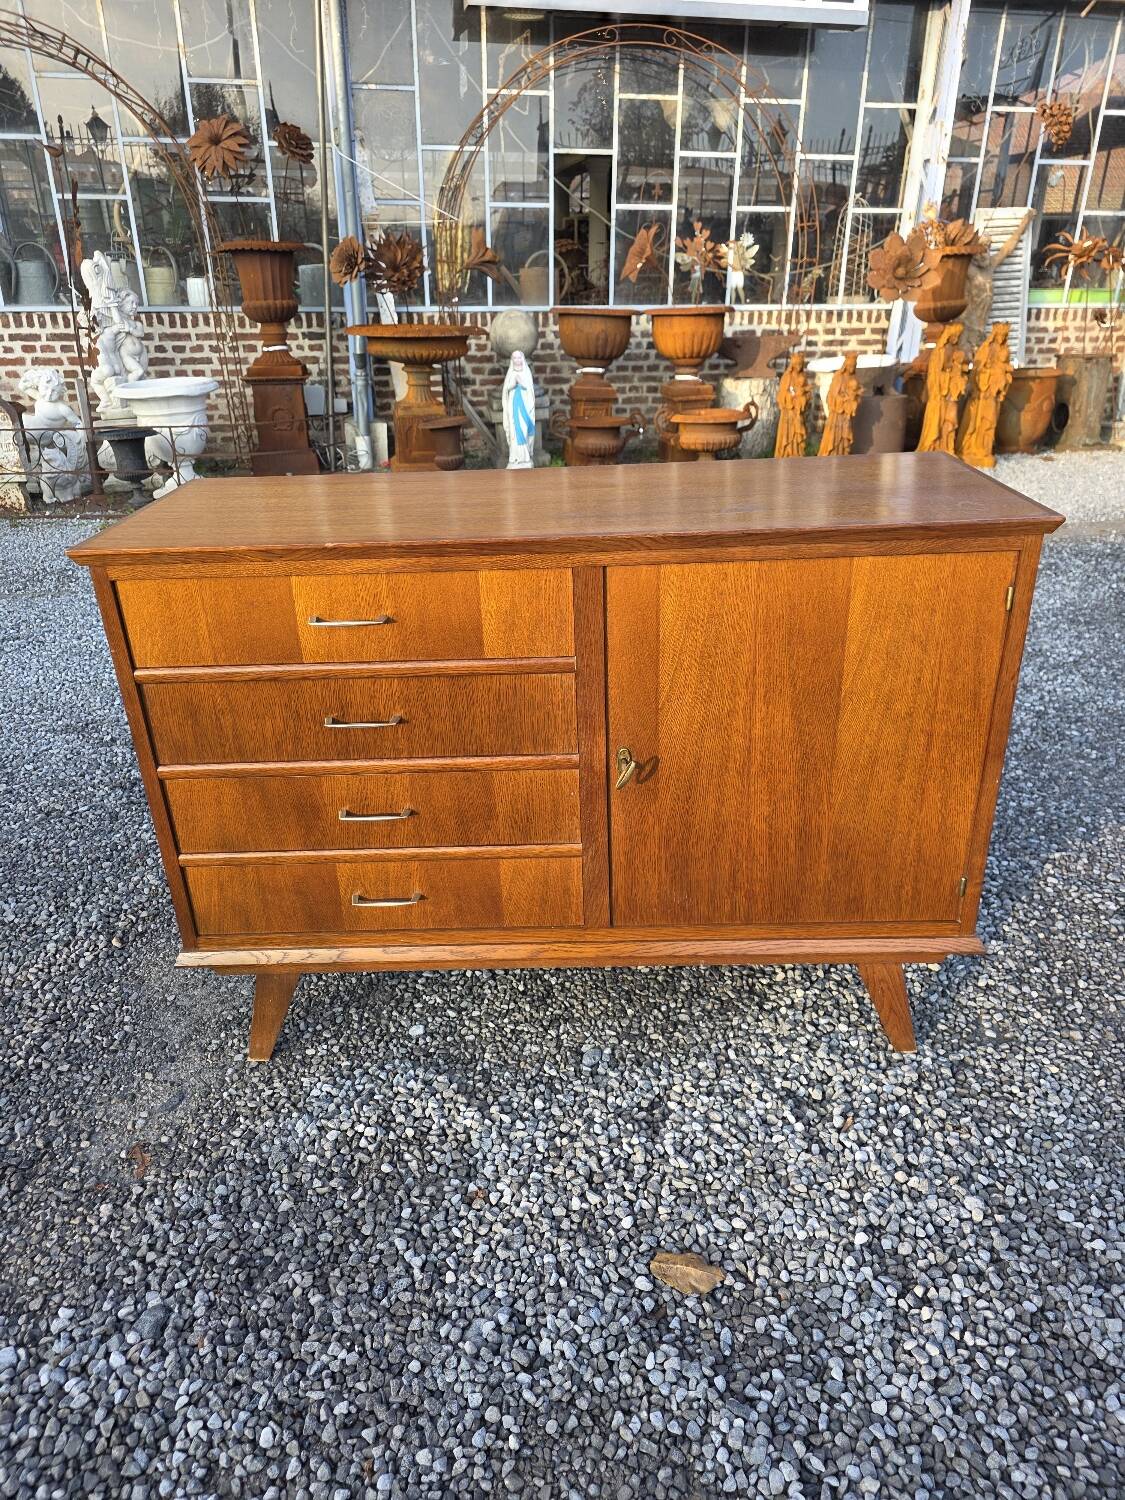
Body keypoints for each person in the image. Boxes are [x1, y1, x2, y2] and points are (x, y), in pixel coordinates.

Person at [817, 352, 863, 457]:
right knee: (834, 437)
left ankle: (842, 456)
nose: (851, 368)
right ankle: (831, 455)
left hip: (846, 416)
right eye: (850, 366)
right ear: (845, 365)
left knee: (844, 438)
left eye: (853, 366)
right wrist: (845, 399)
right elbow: (832, 397)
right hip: (837, 415)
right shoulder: (838, 377)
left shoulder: (854, 379)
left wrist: (855, 398)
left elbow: (857, 396)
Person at [502, 349, 535, 469]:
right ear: (512, 360)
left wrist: (522, 383)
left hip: (524, 406)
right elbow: (506, 391)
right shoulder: (510, 373)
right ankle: (515, 458)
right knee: (515, 430)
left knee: (525, 428)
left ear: (523, 359)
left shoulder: (527, 373)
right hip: (514, 406)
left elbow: (530, 390)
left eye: (519, 357)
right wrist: (513, 383)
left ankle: (525, 457)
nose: (517, 360)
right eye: (515, 358)